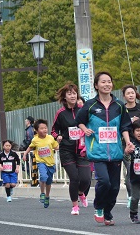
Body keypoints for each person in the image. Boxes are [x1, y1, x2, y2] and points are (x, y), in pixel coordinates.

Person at [75, 71, 135, 226]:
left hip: (115, 152)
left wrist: (128, 142)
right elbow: (79, 120)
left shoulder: (119, 106)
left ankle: (108, 212)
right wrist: (84, 129)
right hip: (97, 151)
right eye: (103, 82)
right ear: (96, 85)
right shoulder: (90, 105)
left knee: (115, 187)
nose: (107, 84)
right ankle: (99, 206)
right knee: (105, 181)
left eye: (109, 81)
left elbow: (125, 126)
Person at [51, 82, 91, 215]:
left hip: (82, 149)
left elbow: (90, 123)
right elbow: (54, 130)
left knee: (86, 179)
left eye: (74, 93)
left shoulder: (83, 109)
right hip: (66, 150)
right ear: (64, 97)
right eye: (69, 93)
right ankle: (75, 206)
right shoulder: (60, 113)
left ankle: (81, 193)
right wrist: (58, 137)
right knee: (74, 178)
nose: (72, 96)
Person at [121, 84, 140, 207]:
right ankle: (130, 196)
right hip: (126, 144)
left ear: (135, 94)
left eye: (132, 93)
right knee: (130, 169)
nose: (131, 95)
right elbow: (120, 126)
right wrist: (130, 122)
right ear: (124, 96)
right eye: (128, 93)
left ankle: (139, 193)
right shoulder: (121, 109)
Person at [23, 119, 59, 208]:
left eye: (45, 128)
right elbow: (30, 147)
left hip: (51, 163)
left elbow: (56, 147)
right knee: (43, 176)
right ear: (36, 130)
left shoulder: (50, 138)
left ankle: (47, 196)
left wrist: (60, 141)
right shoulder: (35, 140)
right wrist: (25, 154)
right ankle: (42, 193)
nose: (44, 130)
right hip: (41, 162)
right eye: (42, 128)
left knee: (49, 182)